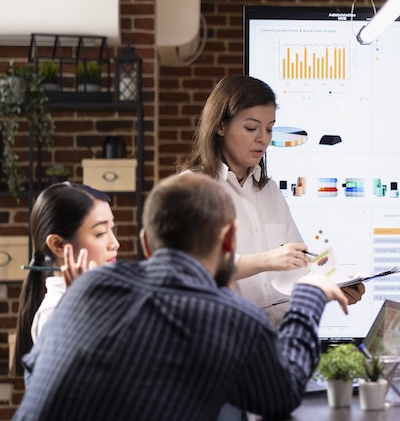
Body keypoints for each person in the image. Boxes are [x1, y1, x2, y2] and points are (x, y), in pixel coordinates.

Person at [14, 172, 350, 421]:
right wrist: (308, 295)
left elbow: (39, 381)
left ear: (146, 243)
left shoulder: (85, 291)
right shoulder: (233, 318)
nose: (113, 242)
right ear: (230, 241)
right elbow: (281, 395)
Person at [177, 75, 363, 327]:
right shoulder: (192, 187)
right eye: (251, 128)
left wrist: (331, 286)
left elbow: (298, 266)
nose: (263, 139)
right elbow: (197, 265)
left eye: (269, 128)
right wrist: (268, 260)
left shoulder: (270, 191)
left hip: (277, 341)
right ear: (220, 126)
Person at [12, 182, 118, 376]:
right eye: (101, 233)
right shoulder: (53, 312)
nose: (114, 243)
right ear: (59, 245)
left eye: (112, 229)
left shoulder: (101, 296)